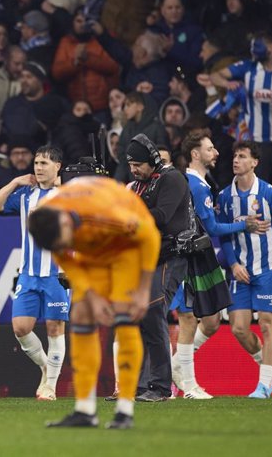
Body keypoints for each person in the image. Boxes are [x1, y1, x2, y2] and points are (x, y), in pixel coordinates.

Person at [28, 176, 160, 429]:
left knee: (125, 317)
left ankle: (125, 410)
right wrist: (91, 296)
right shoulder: (48, 221)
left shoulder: (108, 214)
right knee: (81, 315)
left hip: (126, 250)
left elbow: (150, 237)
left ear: (67, 221)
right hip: (91, 255)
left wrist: (143, 289)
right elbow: (64, 256)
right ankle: (85, 410)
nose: (64, 247)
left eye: (63, 241)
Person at [174, 132, 269, 398]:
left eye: (241, 156)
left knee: (211, 318)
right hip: (193, 259)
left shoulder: (205, 184)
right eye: (211, 148)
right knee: (192, 317)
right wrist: (244, 225)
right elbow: (213, 227)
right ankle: (182, 378)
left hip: (217, 260)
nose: (218, 153)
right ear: (196, 154)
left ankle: (175, 370)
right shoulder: (204, 188)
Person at [0, 146, 69, 400]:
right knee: (21, 328)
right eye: (36, 163)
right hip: (28, 274)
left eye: (44, 162)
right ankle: (46, 367)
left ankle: (51, 387)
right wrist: (14, 182)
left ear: (57, 166)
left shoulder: (69, 197)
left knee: (55, 328)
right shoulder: (25, 195)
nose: (38, 167)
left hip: (57, 273)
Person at [125, 134, 190, 402]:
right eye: (130, 164)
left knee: (152, 312)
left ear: (152, 160)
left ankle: (161, 388)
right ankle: (140, 386)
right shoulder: (141, 184)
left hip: (170, 256)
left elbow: (162, 217)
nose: (133, 169)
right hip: (147, 258)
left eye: (138, 164)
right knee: (139, 318)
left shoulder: (171, 179)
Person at [216, 141, 272, 398]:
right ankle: (268, 368)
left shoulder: (268, 193)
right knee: (239, 328)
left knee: (267, 324)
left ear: (254, 162)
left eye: (242, 156)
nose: (236, 160)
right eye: (234, 156)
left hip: (267, 268)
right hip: (240, 271)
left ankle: (264, 385)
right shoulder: (225, 197)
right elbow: (223, 235)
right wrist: (234, 264)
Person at [210, 31, 272, 184]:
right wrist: (228, 84)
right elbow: (215, 75)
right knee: (257, 186)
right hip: (256, 140)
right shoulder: (248, 67)